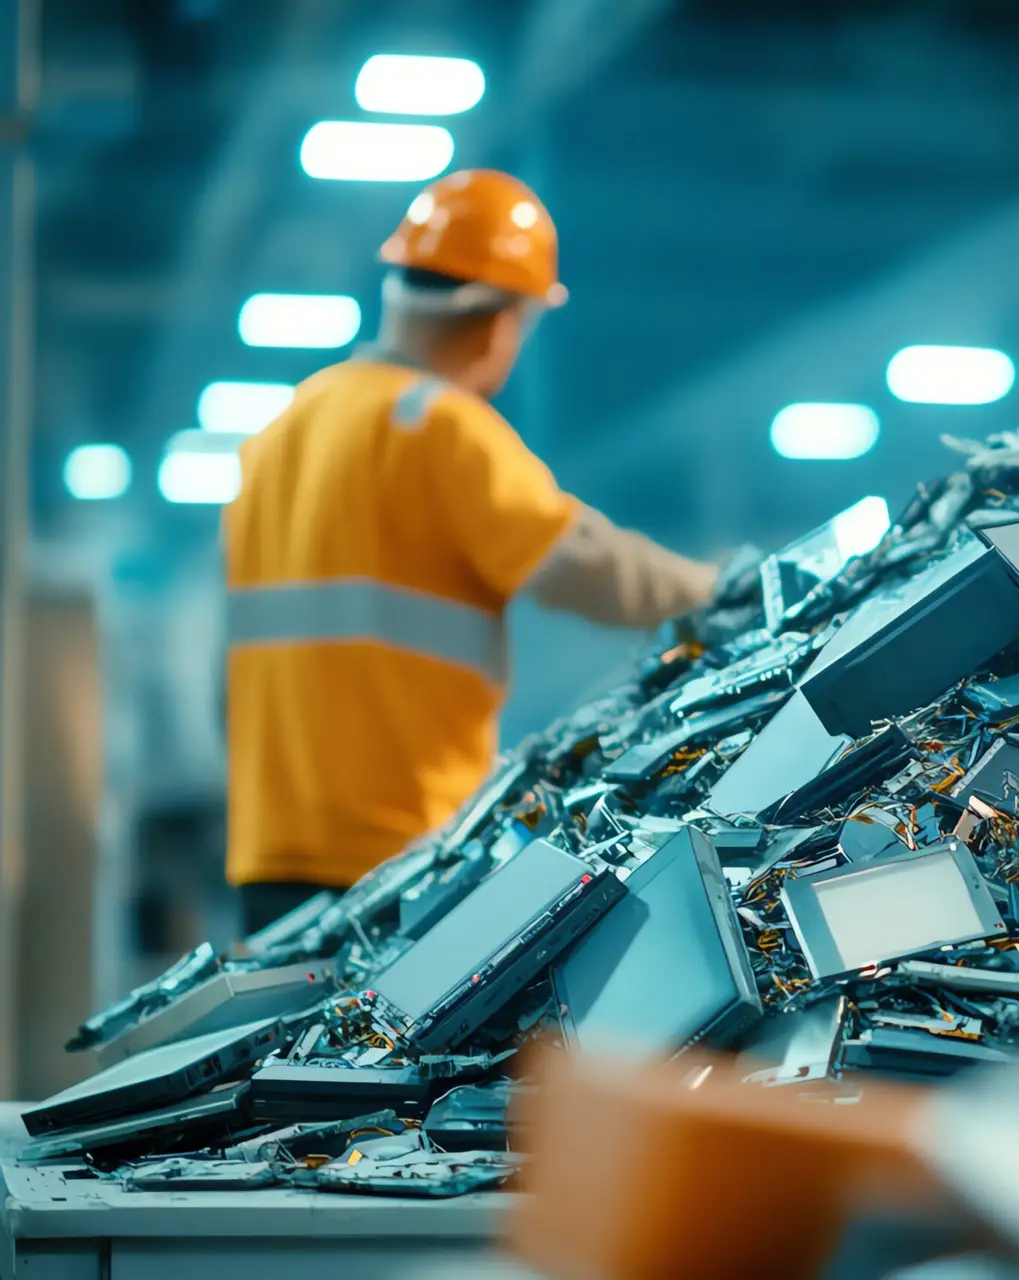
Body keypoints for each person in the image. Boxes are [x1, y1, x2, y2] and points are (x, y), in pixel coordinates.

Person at [224, 169, 721, 934]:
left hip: (269, 851)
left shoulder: (282, 430)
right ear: (498, 320)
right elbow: (584, 567)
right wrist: (719, 591)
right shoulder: (438, 426)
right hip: (397, 853)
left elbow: (221, 673)